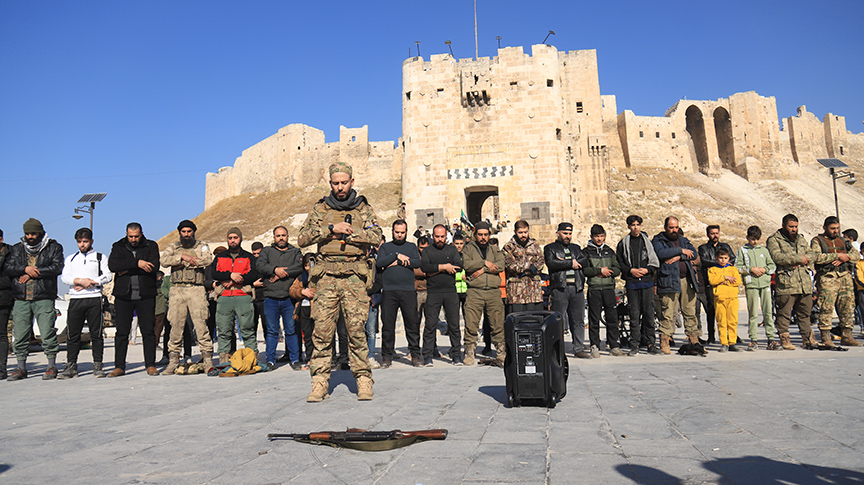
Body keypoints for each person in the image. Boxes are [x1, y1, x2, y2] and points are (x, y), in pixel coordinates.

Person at [298, 162, 382, 402]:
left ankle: (363, 380)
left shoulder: (364, 208)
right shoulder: (320, 209)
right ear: (330, 184)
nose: (340, 187)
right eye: (335, 183)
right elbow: (302, 238)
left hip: (354, 278)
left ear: (352, 182)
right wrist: (331, 229)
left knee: (357, 331)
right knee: (322, 333)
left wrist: (352, 231)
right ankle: (320, 382)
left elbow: (377, 236)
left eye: (344, 182)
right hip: (326, 278)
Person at [4, 218, 64, 381]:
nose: (30, 236)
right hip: (21, 298)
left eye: (33, 233)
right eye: (27, 233)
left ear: (41, 232)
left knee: (47, 333)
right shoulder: (17, 249)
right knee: (20, 334)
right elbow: (8, 268)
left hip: (43, 296)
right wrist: (24, 268)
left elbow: (57, 267)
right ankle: (21, 368)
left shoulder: (53, 247)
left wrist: (33, 272)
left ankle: (51, 366)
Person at [159, 220, 214, 374]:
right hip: (177, 289)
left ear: (194, 232)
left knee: (201, 324)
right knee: (175, 326)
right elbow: (163, 261)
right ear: (180, 233)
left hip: (196, 289)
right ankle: (173, 360)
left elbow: (207, 260)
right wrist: (182, 257)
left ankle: (207, 359)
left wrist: (183, 262)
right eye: (184, 232)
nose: (187, 234)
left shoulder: (201, 245)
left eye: (189, 231)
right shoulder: (174, 247)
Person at [58, 227, 112, 378]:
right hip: (76, 299)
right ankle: (71, 366)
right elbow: (65, 277)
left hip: (94, 298)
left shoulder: (100, 257)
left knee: (96, 334)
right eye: (80, 242)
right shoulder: (70, 259)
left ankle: (98, 365)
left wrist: (92, 282)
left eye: (85, 241)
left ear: (91, 241)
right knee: (73, 334)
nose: (82, 245)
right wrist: (79, 281)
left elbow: (108, 276)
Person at [766, 214, 822, 350]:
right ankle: (785, 339)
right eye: (791, 226)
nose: (794, 229)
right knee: (784, 314)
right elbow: (777, 257)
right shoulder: (774, 240)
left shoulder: (801, 239)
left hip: (804, 283)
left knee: (805, 313)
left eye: (796, 227)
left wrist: (804, 259)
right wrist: (797, 259)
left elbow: (811, 255)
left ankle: (808, 338)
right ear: (784, 225)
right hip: (787, 284)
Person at [375, 220, 422, 368]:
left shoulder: (412, 247)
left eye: (402, 232)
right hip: (389, 291)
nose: (400, 235)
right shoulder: (386, 247)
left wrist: (397, 261)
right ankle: (387, 356)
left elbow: (416, 263)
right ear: (392, 232)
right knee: (388, 326)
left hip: (408, 290)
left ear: (406, 232)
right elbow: (380, 263)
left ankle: (415, 355)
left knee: (412, 324)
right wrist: (396, 255)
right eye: (397, 232)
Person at [256, 226, 303, 369]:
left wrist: (284, 272)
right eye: (278, 236)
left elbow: (300, 266)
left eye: (283, 235)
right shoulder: (267, 251)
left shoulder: (295, 252)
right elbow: (259, 265)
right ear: (274, 237)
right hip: (271, 297)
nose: (281, 238)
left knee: (291, 330)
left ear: (288, 236)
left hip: (289, 298)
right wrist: (274, 269)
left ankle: (295, 359)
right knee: (272, 330)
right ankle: (270, 360)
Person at [652, 216, 701, 354]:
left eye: (676, 227)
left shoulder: (683, 240)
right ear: (665, 227)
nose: (674, 230)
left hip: (687, 280)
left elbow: (694, 253)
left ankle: (694, 340)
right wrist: (681, 250)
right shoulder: (658, 240)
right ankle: (665, 341)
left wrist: (680, 256)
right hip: (669, 281)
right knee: (668, 313)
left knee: (690, 312)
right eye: (671, 227)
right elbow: (661, 253)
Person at [211, 227, 260, 364]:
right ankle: (224, 359)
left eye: (235, 238)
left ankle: (252, 359)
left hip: (242, 295)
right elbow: (214, 273)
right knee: (224, 330)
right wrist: (229, 275)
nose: (232, 240)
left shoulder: (248, 257)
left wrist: (233, 280)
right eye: (230, 238)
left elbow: (253, 274)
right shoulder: (220, 257)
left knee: (247, 329)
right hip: (224, 297)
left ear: (240, 239)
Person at [810, 216, 861, 347]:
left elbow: (856, 255)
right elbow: (816, 257)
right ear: (825, 227)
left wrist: (846, 257)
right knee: (826, 307)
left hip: (844, 276)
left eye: (837, 228)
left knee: (848, 307)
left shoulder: (843, 241)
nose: (835, 231)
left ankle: (847, 335)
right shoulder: (818, 241)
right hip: (828, 277)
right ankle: (826, 337)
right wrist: (837, 255)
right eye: (832, 228)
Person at [616, 215, 660, 356]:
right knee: (634, 315)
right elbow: (620, 263)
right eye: (633, 225)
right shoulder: (623, 243)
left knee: (648, 314)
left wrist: (647, 270)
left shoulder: (647, 242)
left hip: (647, 282)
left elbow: (654, 261)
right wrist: (630, 271)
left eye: (638, 225)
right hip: (632, 284)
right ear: (629, 226)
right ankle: (634, 344)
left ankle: (650, 343)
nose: (636, 227)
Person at [544, 222, 590, 358]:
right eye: (565, 233)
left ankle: (579, 347)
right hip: (560, 288)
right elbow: (552, 263)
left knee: (578, 319)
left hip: (577, 287)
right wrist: (570, 263)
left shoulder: (576, 248)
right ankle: (557, 348)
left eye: (569, 234)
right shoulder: (550, 248)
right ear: (558, 233)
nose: (567, 236)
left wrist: (563, 262)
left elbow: (585, 261)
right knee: (558, 319)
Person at [463, 222, 506, 366]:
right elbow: (467, 265)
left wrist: (483, 269)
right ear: (475, 235)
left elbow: (501, 264)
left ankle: (501, 351)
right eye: (480, 235)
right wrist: (486, 263)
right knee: (471, 324)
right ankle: (469, 351)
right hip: (475, 291)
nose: (483, 238)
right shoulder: (468, 249)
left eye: (486, 235)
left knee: (497, 323)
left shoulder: (495, 250)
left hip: (493, 292)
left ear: (489, 235)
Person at [420, 224, 463, 366]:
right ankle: (427, 355)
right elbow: (425, 267)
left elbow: (458, 266)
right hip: (433, 292)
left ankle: (456, 354)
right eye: (437, 236)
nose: (439, 239)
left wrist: (435, 269)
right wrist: (444, 267)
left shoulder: (452, 249)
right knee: (430, 325)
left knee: (454, 325)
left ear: (446, 236)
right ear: (432, 236)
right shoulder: (427, 251)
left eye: (442, 236)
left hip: (450, 291)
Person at [736, 226, 779, 351]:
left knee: (768, 312)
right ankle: (753, 339)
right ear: (747, 237)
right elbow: (738, 266)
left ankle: (771, 338)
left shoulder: (764, 251)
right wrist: (750, 270)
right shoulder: (742, 250)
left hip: (765, 284)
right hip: (751, 285)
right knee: (753, 313)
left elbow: (772, 265)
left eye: (757, 239)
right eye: (752, 239)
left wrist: (764, 269)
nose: (755, 242)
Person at [583, 224, 624, 357]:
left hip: (609, 288)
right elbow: (585, 270)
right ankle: (594, 345)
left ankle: (614, 346)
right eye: (596, 236)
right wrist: (599, 271)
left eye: (601, 236)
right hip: (594, 289)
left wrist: (609, 272)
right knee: (593, 318)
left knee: (612, 318)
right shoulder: (586, 252)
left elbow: (617, 268)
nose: (599, 239)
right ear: (591, 237)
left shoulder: (610, 251)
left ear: (605, 237)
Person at [697, 225, 737, 344]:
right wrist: (721, 263)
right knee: (711, 310)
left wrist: (717, 264)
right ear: (708, 234)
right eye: (712, 233)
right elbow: (704, 261)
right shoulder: (703, 248)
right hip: (710, 283)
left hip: (725, 285)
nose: (715, 235)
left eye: (717, 233)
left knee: (728, 314)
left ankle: (731, 336)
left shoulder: (725, 246)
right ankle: (711, 335)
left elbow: (733, 259)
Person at [502, 220, 545, 313]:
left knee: (535, 320)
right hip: (516, 293)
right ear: (515, 231)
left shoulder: (535, 245)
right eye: (520, 233)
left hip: (534, 293)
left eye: (525, 232)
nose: (523, 235)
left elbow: (541, 261)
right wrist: (528, 267)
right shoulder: (508, 247)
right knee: (517, 322)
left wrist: (531, 269)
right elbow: (510, 265)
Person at [708, 248, 742, 352]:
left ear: (729, 258)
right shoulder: (713, 270)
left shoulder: (733, 269)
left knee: (732, 321)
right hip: (720, 299)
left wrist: (724, 282)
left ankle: (732, 342)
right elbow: (712, 281)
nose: (723, 260)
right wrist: (725, 277)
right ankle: (724, 342)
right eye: (721, 258)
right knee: (721, 321)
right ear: (716, 258)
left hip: (732, 298)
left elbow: (737, 281)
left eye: (725, 258)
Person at [0, 229, 12, 380]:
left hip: (3, 299)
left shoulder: (10, 253)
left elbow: (11, 278)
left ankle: (2, 368)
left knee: (2, 334)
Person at [250, 241, 266, 337]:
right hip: (253, 298)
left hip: (265, 298)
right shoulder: (250, 263)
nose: (256, 256)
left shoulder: (267, 262)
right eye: (254, 253)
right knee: (252, 325)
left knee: (267, 324)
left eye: (258, 253)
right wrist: (253, 284)